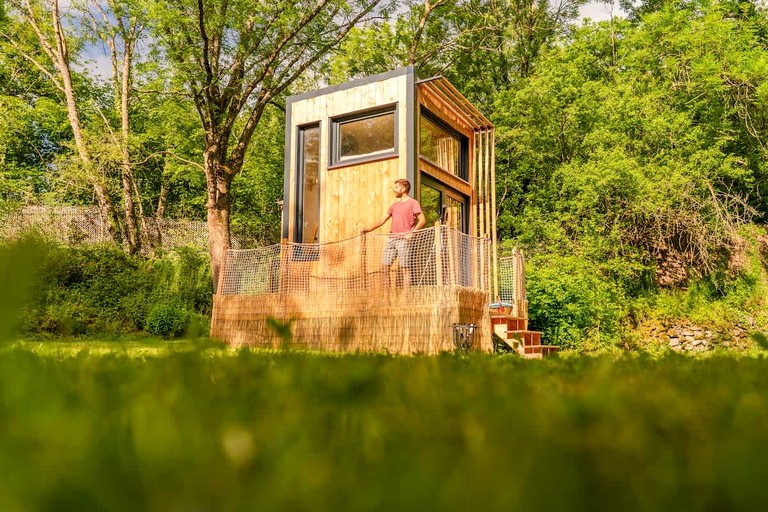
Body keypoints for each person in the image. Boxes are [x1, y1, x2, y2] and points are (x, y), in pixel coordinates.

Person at [361, 178, 427, 287]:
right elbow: (382, 220)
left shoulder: (413, 203)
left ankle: (406, 298)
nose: (394, 189)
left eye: (396, 187)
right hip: (391, 240)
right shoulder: (394, 206)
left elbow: (423, 220)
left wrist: (412, 233)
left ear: (404, 189)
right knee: (384, 267)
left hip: (404, 240)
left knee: (404, 268)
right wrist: (368, 229)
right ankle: (387, 299)